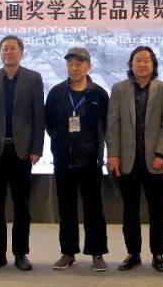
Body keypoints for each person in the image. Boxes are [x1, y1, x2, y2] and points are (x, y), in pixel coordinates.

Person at [0, 35, 45, 271]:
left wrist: (37, 148)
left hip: (22, 152)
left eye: (13, 48)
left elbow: (39, 116)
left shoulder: (33, 78)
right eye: (5, 49)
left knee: (21, 206)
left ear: (21, 52)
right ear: (0, 53)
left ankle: (20, 253)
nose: (8, 52)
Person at [106, 46, 163, 273]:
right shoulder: (119, 89)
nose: (142, 64)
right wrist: (113, 154)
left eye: (147, 60)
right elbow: (112, 124)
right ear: (131, 64)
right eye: (138, 60)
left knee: (157, 210)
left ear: (153, 65)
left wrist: (162, 153)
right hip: (127, 161)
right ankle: (133, 253)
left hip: (156, 161)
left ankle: (158, 254)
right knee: (130, 210)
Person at [45, 47, 110, 272]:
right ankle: (68, 252)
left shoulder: (99, 94)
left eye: (79, 64)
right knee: (66, 210)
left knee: (94, 210)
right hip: (64, 161)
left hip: (90, 161)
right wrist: (60, 143)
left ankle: (97, 252)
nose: (74, 68)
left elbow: (106, 126)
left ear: (88, 66)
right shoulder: (56, 93)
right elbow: (49, 123)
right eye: (70, 64)